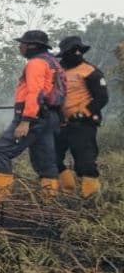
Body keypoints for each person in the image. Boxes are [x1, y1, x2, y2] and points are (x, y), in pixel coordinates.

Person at [0, 30, 63, 200]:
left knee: (0, 151)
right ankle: (49, 203)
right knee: (45, 161)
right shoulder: (53, 62)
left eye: (22, 44)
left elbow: (35, 93)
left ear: (32, 46)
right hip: (48, 116)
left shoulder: (36, 63)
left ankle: (0, 199)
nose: (20, 47)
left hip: (34, 116)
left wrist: (26, 120)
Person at [55, 35, 108, 198]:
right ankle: (68, 189)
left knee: (85, 162)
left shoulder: (91, 71)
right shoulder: (57, 71)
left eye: (79, 50)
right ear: (65, 53)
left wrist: (83, 112)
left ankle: (90, 198)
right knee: (52, 156)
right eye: (73, 51)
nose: (77, 53)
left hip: (83, 124)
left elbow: (102, 98)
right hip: (61, 123)